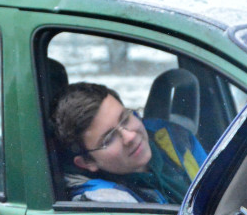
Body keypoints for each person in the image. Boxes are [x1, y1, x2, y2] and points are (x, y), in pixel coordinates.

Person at [51, 82, 206, 203]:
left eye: (125, 118)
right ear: (87, 162)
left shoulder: (174, 137)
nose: (130, 136)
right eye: (109, 139)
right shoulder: (107, 203)